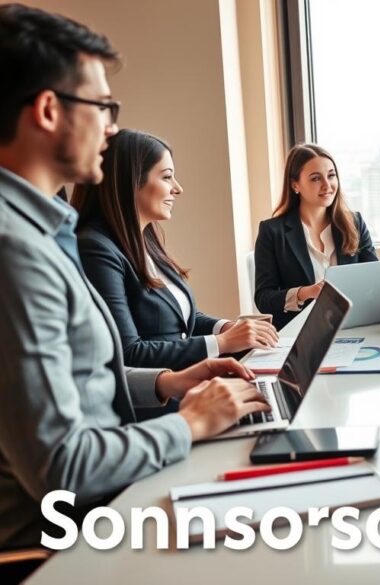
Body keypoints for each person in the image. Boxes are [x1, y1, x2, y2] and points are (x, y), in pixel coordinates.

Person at [0, 4, 270, 549]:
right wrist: (189, 423)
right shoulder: (15, 250)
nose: (112, 126)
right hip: (69, 542)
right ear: (48, 110)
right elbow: (63, 469)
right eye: (102, 106)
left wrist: (169, 382)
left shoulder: (47, 228)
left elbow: (85, 379)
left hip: (115, 491)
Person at [72, 129, 279, 371]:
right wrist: (222, 342)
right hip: (164, 390)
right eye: (167, 177)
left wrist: (225, 328)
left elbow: (180, 320)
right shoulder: (95, 249)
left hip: (189, 380)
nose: (178, 188)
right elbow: (128, 353)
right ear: (130, 182)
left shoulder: (145, 239)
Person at [254, 143, 378, 329]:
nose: (327, 185)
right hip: (300, 332)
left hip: (352, 326)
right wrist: (306, 293)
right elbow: (263, 298)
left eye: (331, 175)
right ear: (295, 185)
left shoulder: (355, 223)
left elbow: (375, 278)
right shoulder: (272, 232)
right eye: (315, 178)